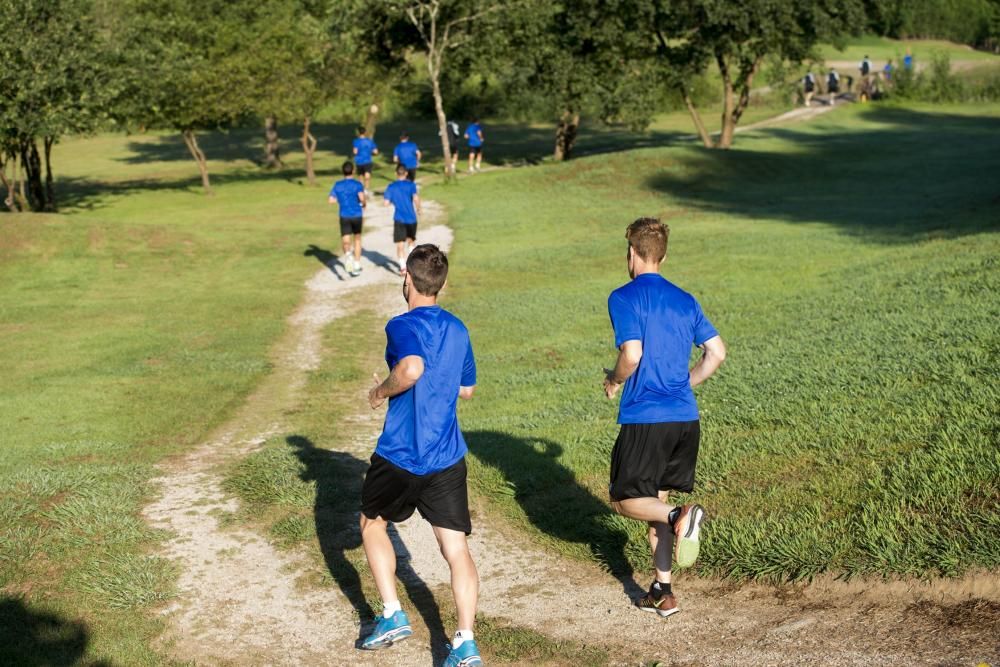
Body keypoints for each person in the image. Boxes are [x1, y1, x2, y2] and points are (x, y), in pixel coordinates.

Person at [360, 244, 482, 667]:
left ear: (407, 279)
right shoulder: (458, 329)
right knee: (456, 549)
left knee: (371, 522)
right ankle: (465, 642)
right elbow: (466, 389)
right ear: (441, 284)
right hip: (446, 455)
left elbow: (410, 369)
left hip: (400, 453)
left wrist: (379, 393)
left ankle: (393, 613)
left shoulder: (400, 325)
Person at [603, 218, 726, 618]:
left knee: (625, 500)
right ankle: (663, 589)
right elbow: (717, 353)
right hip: (685, 419)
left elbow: (632, 354)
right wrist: (685, 383)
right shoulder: (685, 299)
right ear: (663, 255)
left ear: (632, 253)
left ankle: (682, 516)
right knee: (655, 500)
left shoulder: (624, 297)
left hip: (646, 419)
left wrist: (614, 380)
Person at [328, 161, 366, 277]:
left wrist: (340, 200)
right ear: (353, 171)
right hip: (356, 215)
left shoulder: (337, 185)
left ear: (343, 171)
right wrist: (363, 203)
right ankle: (357, 264)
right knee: (357, 239)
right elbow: (362, 198)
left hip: (344, 215)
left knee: (346, 240)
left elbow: (331, 200)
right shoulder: (357, 184)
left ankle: (348, 255)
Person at [383, 164, 421, 272]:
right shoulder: (411, 185)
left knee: (400, 244)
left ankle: (403, 267)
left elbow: (385, 203)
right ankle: (413, 265)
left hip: (399, 218)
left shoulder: (391, 187)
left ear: (396, 174)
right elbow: (416, 198)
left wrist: (392, 201)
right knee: (411, 241)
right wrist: (419, 209)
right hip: (411, 218)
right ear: (406, 173)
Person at [352, 126, 379, 195]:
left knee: (360, 176)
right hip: (367, 160)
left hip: (359, 161)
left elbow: (355, 152)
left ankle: (361, 190)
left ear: (358, 133)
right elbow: (376, 151)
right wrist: (371, 152)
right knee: (367, 176)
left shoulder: (356, 141)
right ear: (365, 132)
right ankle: (366, 189)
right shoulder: (369, 141)